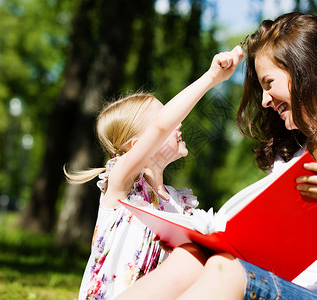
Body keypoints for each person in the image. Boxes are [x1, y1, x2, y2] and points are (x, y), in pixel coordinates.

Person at [116, 12, 317, 300]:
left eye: (269, 83)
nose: (265, 100)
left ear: (307, 70)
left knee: (225, 270)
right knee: (191, 255)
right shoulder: (291, 158)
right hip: (277, 285)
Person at [64, 45, 244, 299]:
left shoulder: (178, 203)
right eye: (168, 116)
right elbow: (161, 126)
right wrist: (212, 78)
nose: (177, 121)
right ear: (137, 147)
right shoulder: (122, 184)